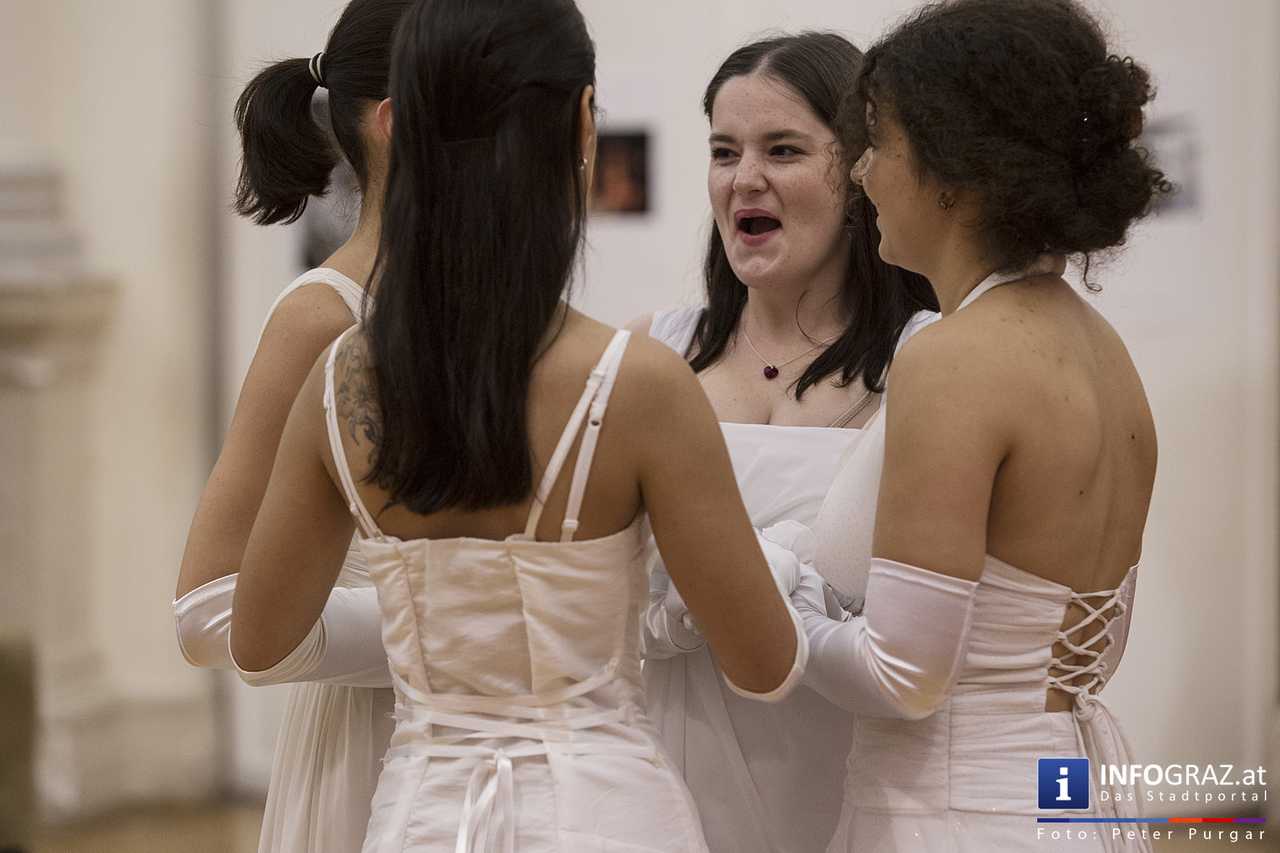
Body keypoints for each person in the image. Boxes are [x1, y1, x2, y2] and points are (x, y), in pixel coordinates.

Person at [229, 1, 813, 850]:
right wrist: (789, 562)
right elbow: (764, 664)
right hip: (603, 814)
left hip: (420, 817)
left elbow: (259, 641)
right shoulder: (637, 382)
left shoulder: (341, 381)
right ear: (582, 123)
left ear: (406, 130)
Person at [796, 1, 1170, 850]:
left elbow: (903, 676)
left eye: (878, 143)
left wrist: (777, 604)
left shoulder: (957, 357)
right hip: (1070, 795)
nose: (861, 174)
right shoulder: (1105, 353)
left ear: (953, 166)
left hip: (955, 812)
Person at [631, 32, 938, 853]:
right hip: (669, 775)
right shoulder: (651, 354)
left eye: (784, 150)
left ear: (859, 174)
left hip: (849, 782)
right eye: (724, 151)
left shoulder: (928, 359)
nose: (745, 179)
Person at [172, 3, 411, 852]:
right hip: (376, 750)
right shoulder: (322, 318)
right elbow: (207, 611)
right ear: (397, 125)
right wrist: (459, 619)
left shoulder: (516, 316)